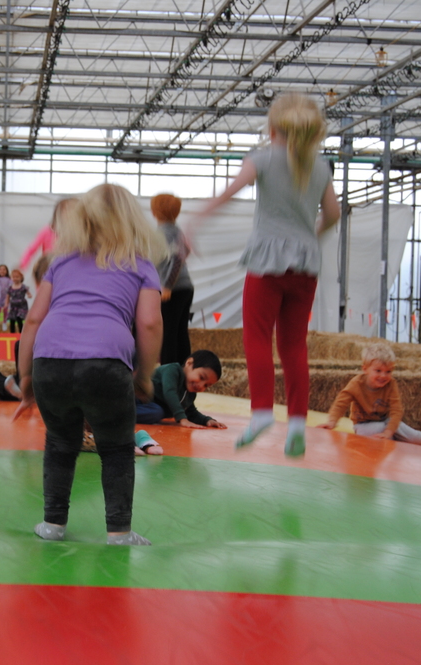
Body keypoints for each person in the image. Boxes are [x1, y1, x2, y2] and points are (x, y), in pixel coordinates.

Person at [14, 183, 165, 546]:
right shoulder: (140, 266)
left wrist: (26, 378)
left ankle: (53, 524)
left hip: (50, 359)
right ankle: (119, 531)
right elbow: (149, 323)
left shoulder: (60, 262)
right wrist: (144, 375)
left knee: (59, 442)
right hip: (105, 361)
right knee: (115, 448)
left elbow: (33, 320)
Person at [190, 92, 339, 458]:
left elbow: (230, 193)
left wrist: (196, 221)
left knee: (257, 336)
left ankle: (260, 414)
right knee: (294, 345)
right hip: (305, 265)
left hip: (267, 262)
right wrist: (309, 237)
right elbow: (334, 213)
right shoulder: (320, 166)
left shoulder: (264, 158)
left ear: (273, 129)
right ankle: (298, 424)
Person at [319, 342, 421, 452]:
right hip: (363, 425)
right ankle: (392, 440)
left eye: (388, 371)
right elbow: (341, 403)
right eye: (378, 371)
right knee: (380, 431)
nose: (383, 376)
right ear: (365, 369)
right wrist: (332, 422)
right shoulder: (356, 384)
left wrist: (389, 430)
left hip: (386, 422)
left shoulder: (391, 384)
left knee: (409, 433)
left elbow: (396, 410)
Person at [151, 194, 194, 366]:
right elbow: (186, 251)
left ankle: (167, 372)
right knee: (180, 332)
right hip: (186, 287)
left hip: (173, 289)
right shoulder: (177, 230)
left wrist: (167, 285)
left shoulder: (162, 232)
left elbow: (176, 258)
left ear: (155, 212)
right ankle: (184, 372)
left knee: (167, 334)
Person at [136, 350, 226, 429]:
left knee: (156, 413)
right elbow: (169, 392)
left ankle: (125, 414)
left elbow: (191, 412)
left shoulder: (189, 394)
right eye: (201, 377)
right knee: (156, 411)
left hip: (147, 407)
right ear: (189, 363)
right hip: (136, 397)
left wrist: (207, 420)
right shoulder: (172, 370)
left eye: (206, 385)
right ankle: (123, 411)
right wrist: (182, 419)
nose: (201, 386)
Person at [5, 269, 31, 334]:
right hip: (13, 306)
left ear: (21, 277)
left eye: (17, 277)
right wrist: (6, 304)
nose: (15, 278)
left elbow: (28, 293)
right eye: (14, 277)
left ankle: (21, 334)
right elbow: (7, 297)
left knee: (19, 319)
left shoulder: (23, 287)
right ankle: (12, 334)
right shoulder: (10, 288)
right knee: (12, 320)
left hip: (21, 306)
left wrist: (29, 295)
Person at [0, 264, 12, 331]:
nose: (2, 271)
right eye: (0, 269)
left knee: (5, 311)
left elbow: (11, 284)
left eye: (4, 269)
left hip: (5, 298)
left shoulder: (8, 279)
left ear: (7, 271)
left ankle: (4, 322)